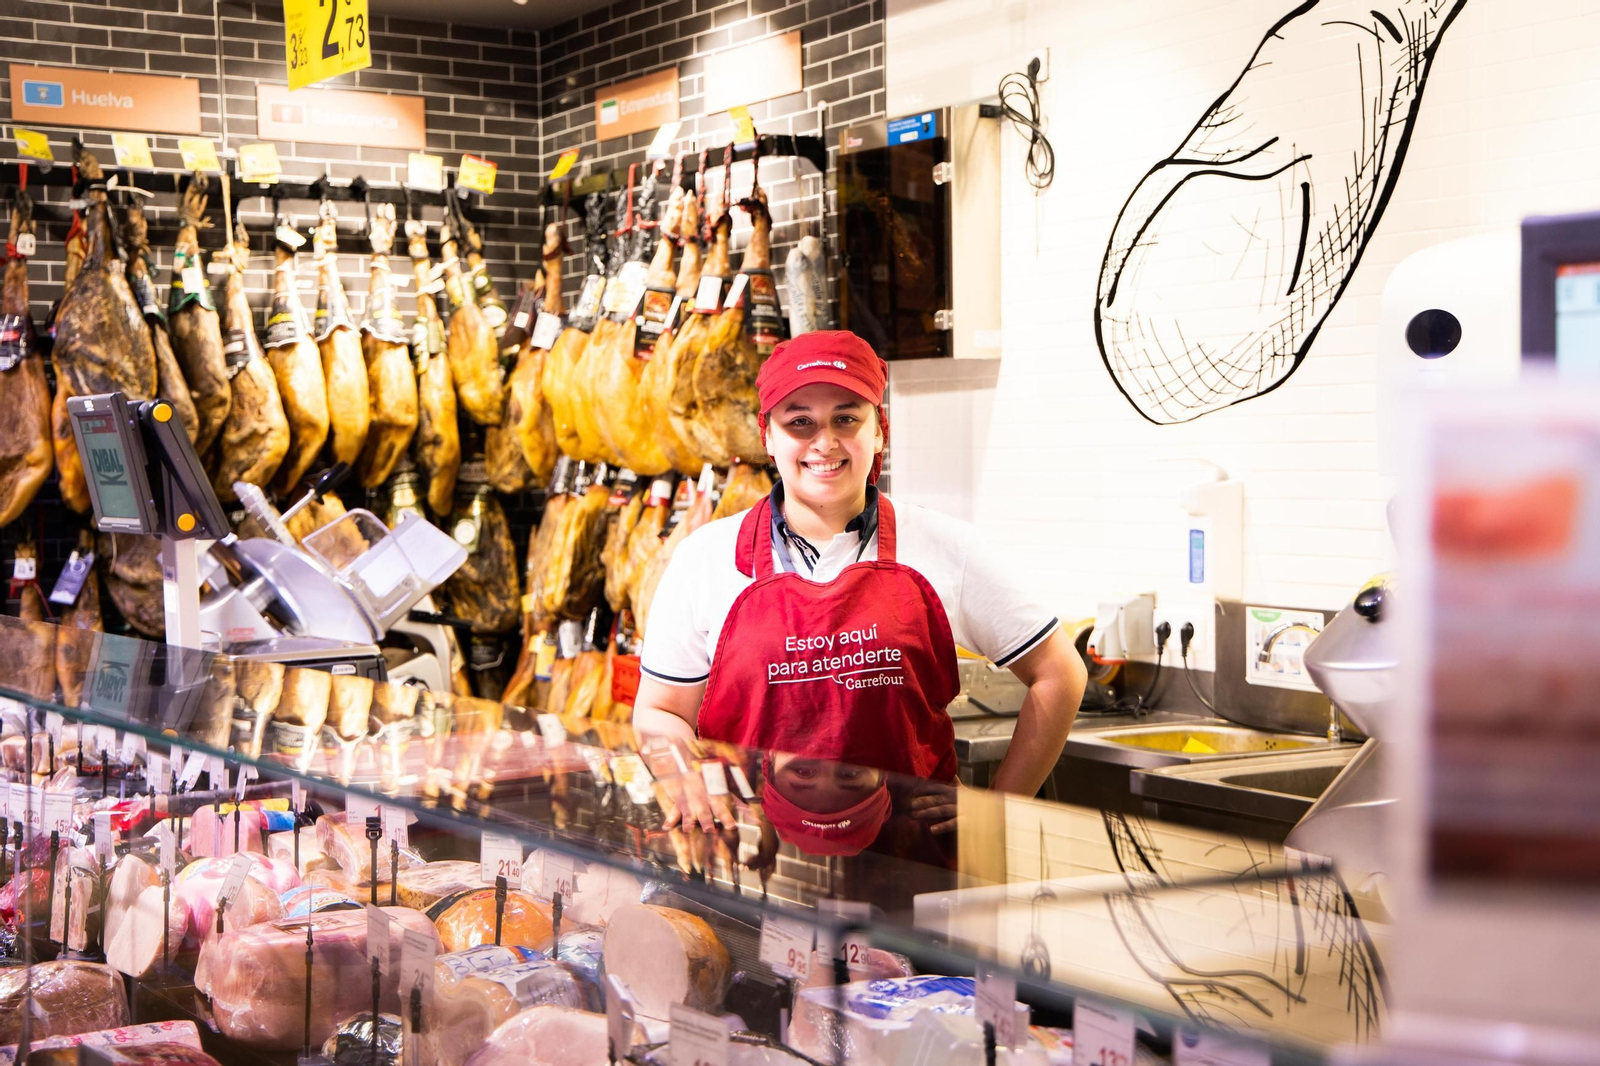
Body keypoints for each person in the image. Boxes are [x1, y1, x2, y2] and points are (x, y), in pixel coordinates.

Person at [633, 330, 1086, 830]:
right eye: (799, 422)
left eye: (846, 418)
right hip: (751, 860)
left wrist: (1000, 809)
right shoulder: (706, 557)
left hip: (912, 866)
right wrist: (682, 777)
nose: (824, 442)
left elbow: (1060, 673)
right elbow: (660, 711)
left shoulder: (945, 547)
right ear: (767, 437)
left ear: (879, 431)